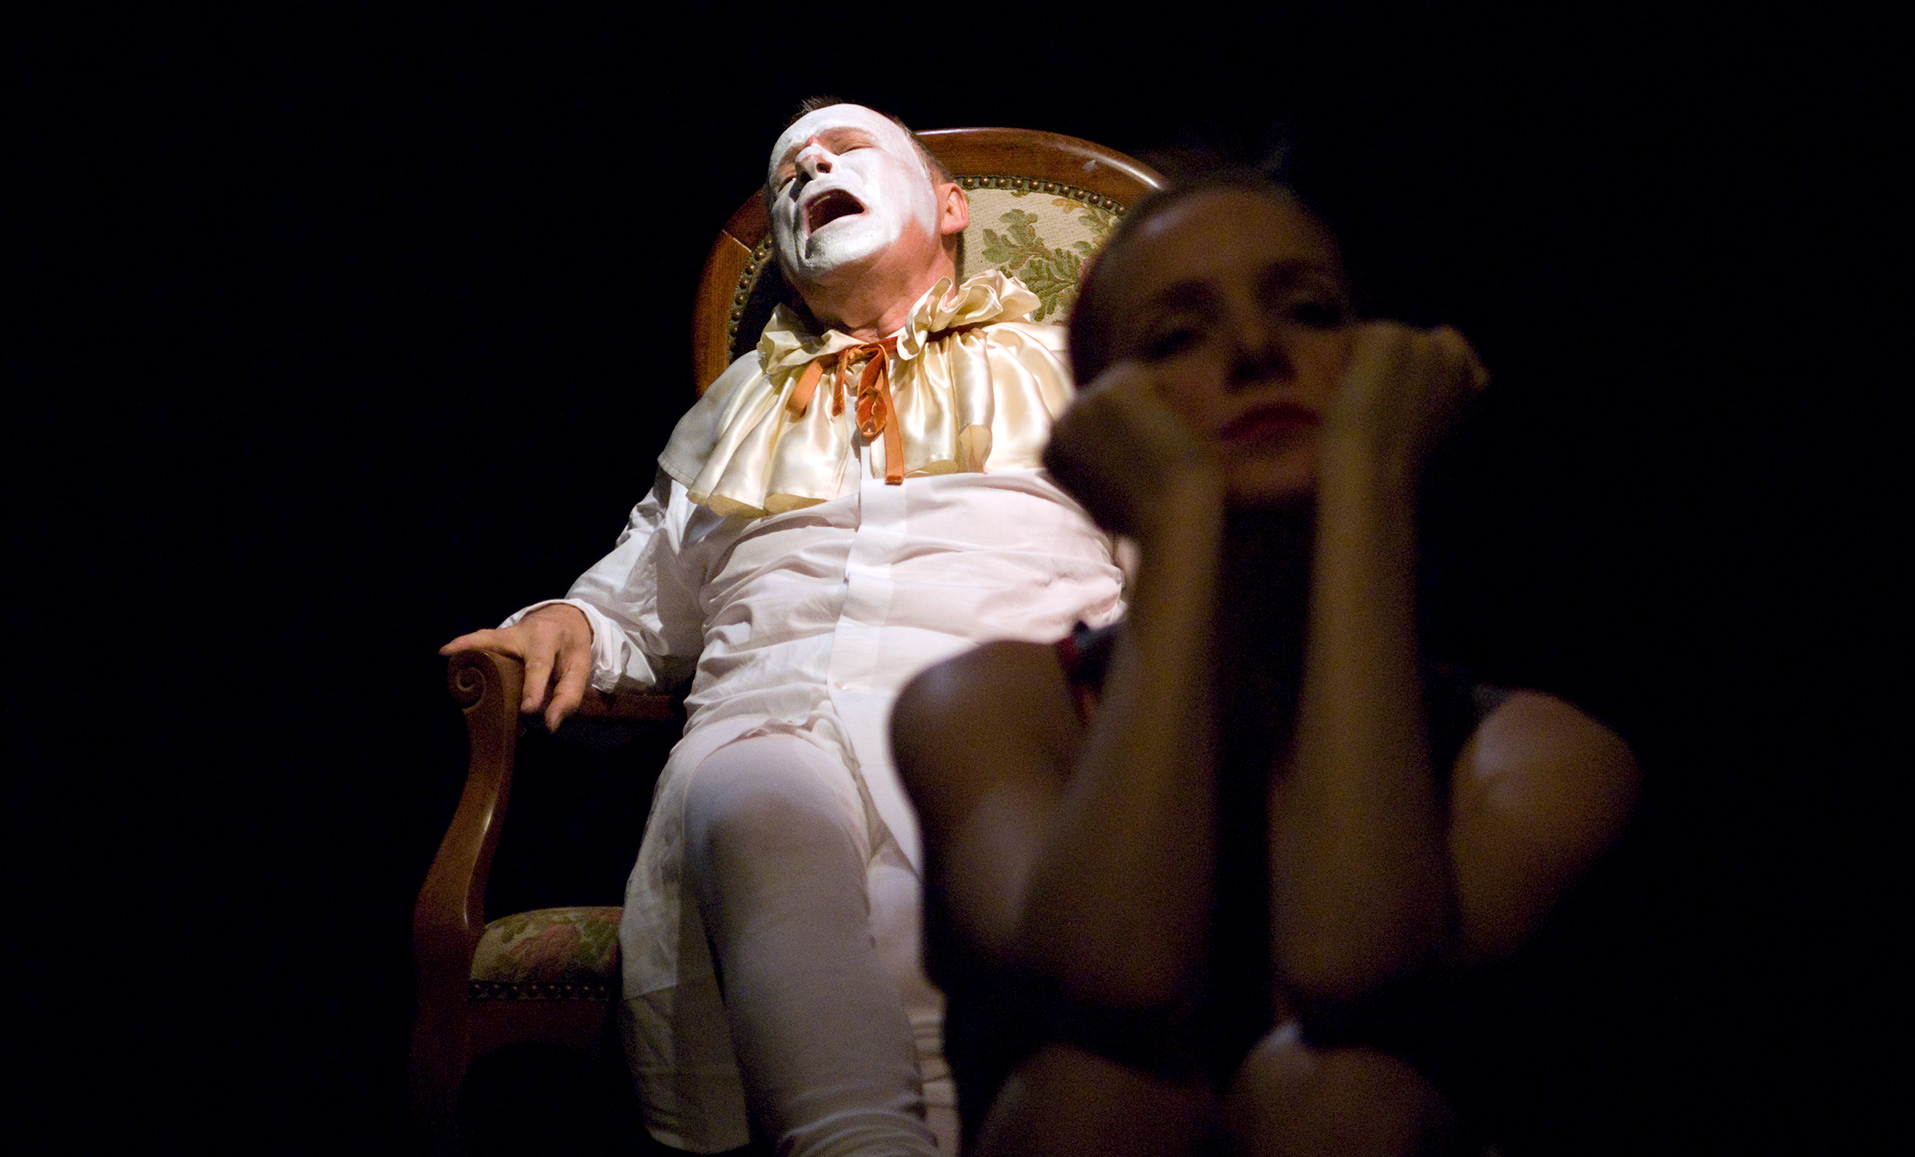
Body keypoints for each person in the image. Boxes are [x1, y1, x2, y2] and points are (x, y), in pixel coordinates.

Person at [890, 172, 1642, 1155]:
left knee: (1339, 1094)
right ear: (1105, 423)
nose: (1255, 350)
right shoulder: (988, 706)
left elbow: (1354, 976)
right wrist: (1177, 520)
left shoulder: (1536, 753)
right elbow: (1114, 978)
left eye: (1311, 312)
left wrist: (1369, 478)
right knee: (1094, 1096)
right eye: (1175, 337)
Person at [440, 101, 1125, 1156]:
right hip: (765, 728)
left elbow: (1175, 567)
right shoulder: (736, 411)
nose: (809, 169)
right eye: (789, 172)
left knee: (912, 889)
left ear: (951, 207)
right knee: (752, 791)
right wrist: (562, 620)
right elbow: (635, 599)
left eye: (846, 151)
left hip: (1004, 737)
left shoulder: (1075, 370)